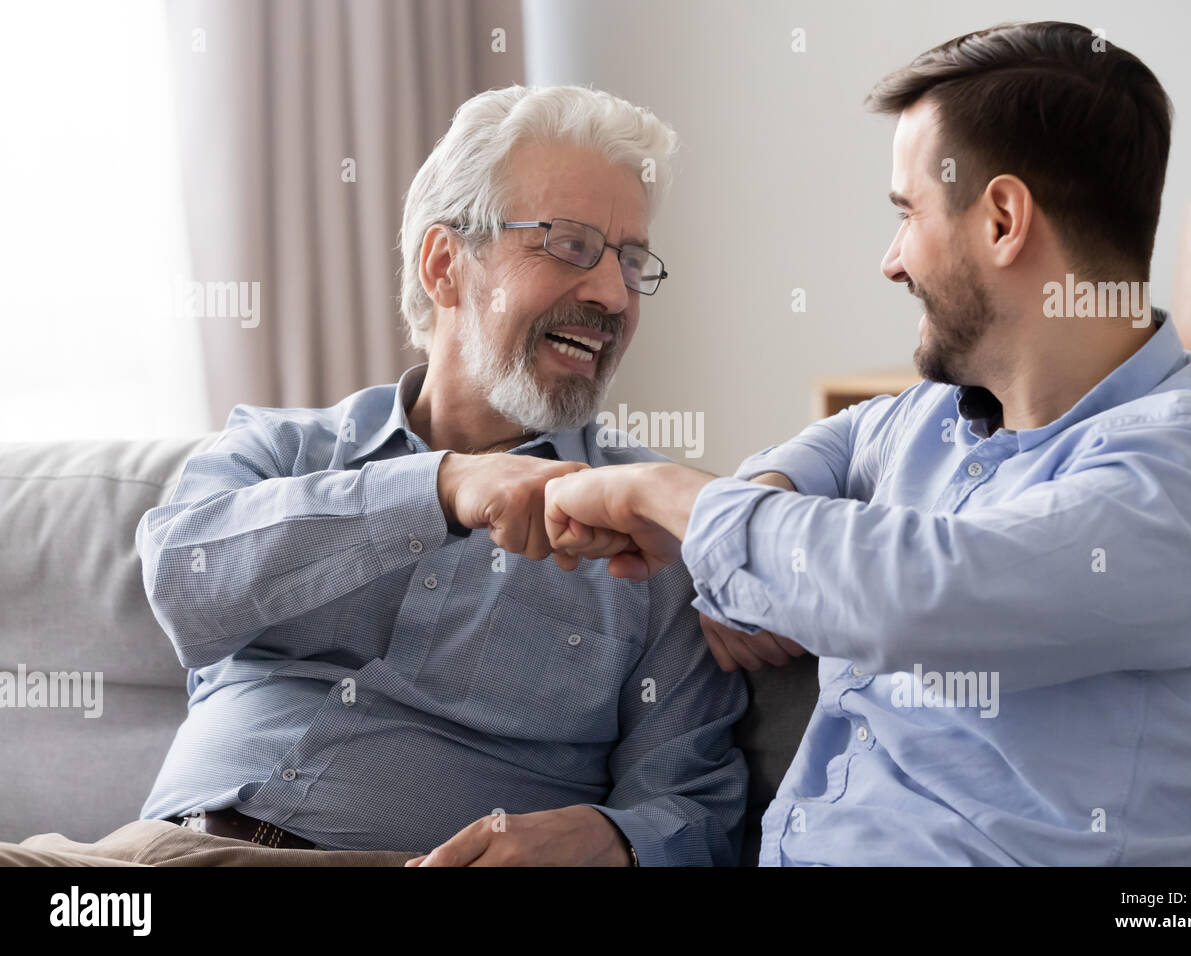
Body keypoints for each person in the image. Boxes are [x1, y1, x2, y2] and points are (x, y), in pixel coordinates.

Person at [534, 22, 1191, 866]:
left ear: (1004, 219)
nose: (891, 261)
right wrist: (754, 525)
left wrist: (660, 495)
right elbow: (816, 457)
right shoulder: (934, 417)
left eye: (908, 214)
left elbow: (932, 593)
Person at [1, 85, 746, 868]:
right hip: (134, 868)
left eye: (631, 262)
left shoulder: (653, 531)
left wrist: (614, 838)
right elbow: (186, 583)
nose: (609, 293)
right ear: (444, 264)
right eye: (569, 245)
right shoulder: (277, 450)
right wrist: (441, 488)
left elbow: (695, 808)